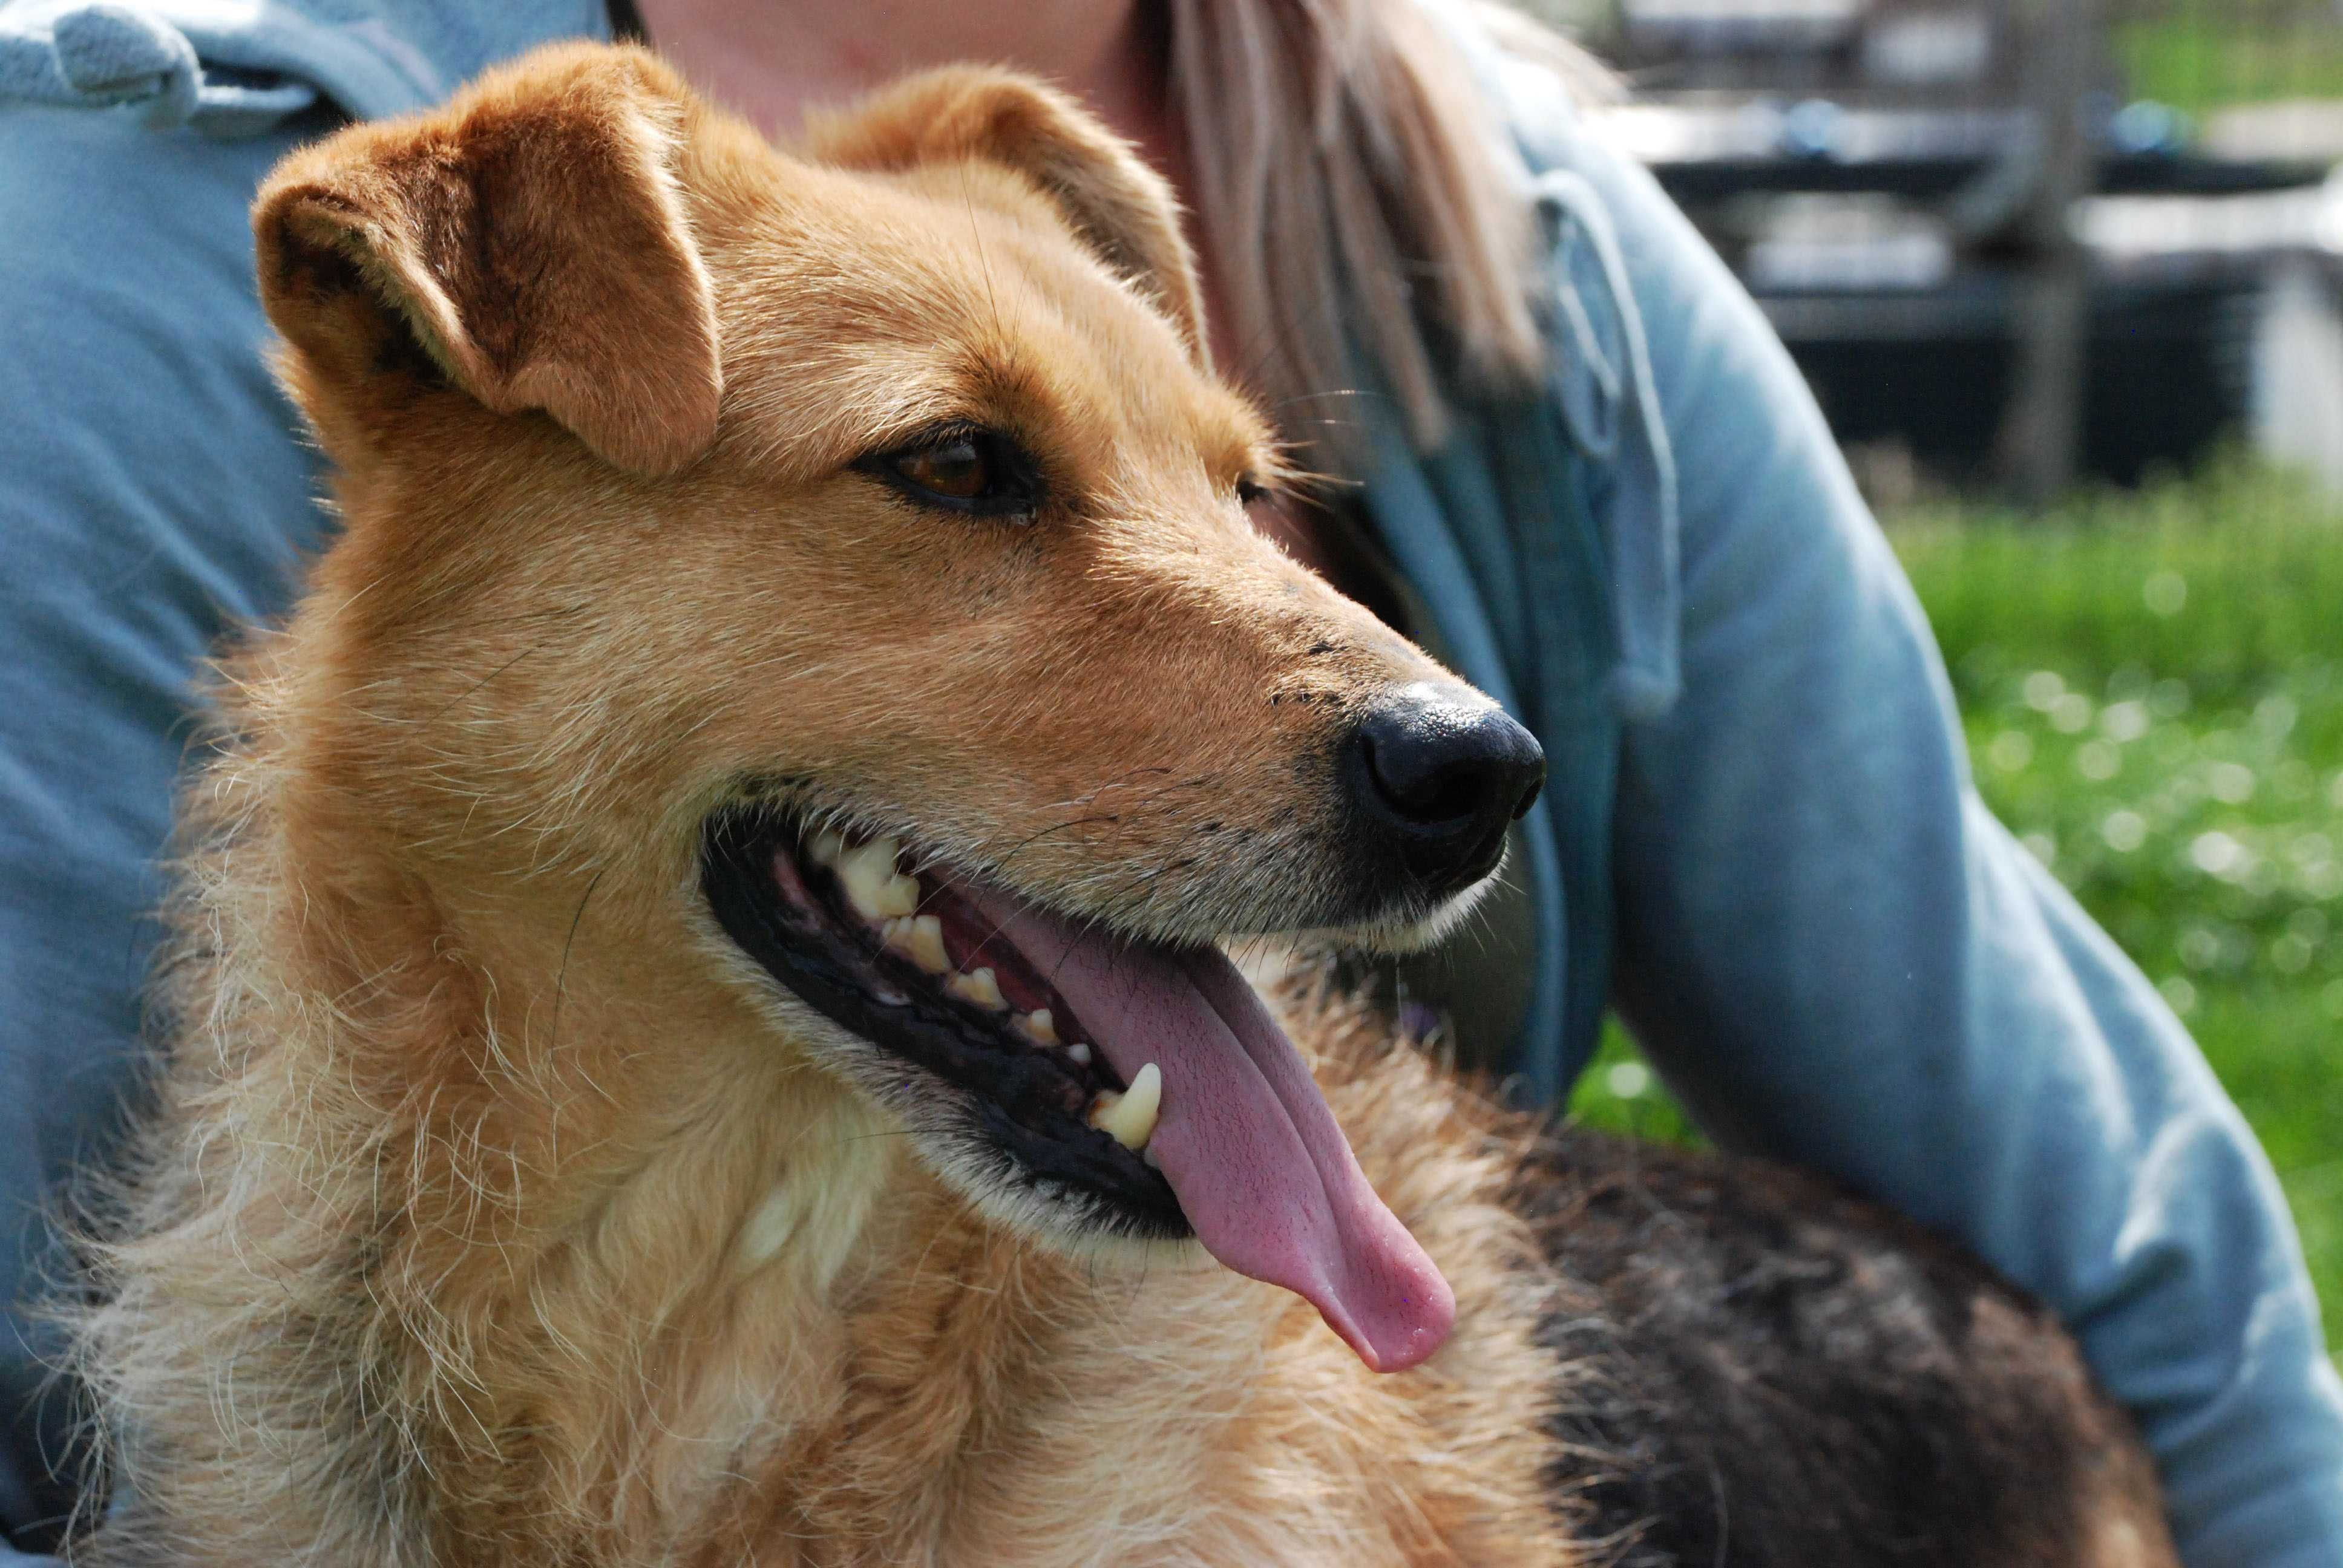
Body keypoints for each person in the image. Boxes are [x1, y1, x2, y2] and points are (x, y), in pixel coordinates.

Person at [1, 0, 2336, 1561]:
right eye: (961, 473)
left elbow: (2103, 1208)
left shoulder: (1517, 217)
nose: (1389, 689)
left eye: (1230, 502)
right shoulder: (138, 200)